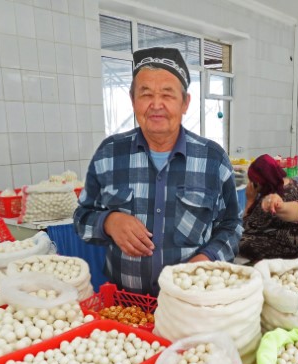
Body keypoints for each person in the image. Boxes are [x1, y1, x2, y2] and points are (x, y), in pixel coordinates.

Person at [74, 47, 242, 296]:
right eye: (146, 94)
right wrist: (108, 222)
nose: (156, 104)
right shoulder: (109, 154)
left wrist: (207, 257)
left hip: (192, 301)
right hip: (126, 305)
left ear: (185, 103)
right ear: (133, 101)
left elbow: (231, 225)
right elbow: (82, 217)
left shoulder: (212, 159)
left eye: (167, 94)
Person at [239, 155, 298, 261]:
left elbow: (246, 228)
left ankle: (290, 256)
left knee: (239, 241)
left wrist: (250, 200)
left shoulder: (272, 198)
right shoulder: (293, 183)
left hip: (292, 244)